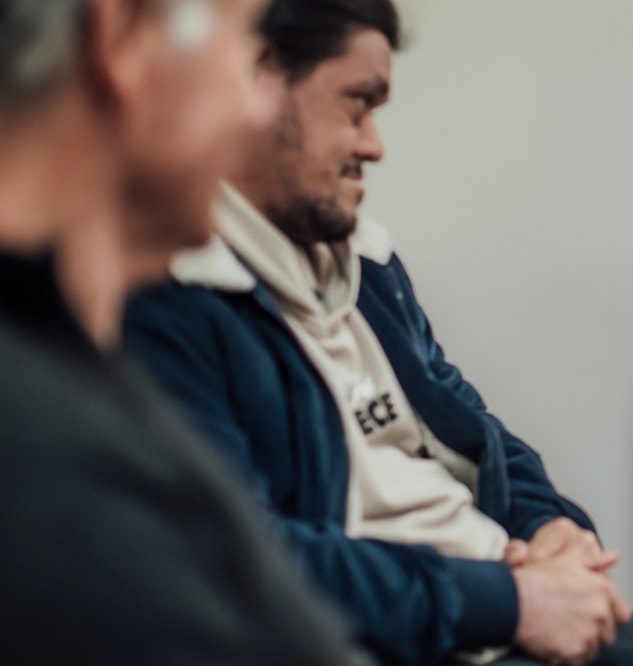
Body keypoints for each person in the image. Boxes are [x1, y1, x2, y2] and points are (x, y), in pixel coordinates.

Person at [122, 1, 633, 665]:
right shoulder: (172, 297)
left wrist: (555, 533)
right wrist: (509, 601)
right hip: (425, 626)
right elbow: (242, 562)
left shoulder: (366, 266)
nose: (376, 144)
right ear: (257, 87)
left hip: (502, 601)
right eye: (356, 106)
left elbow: (478, 433)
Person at [0, 0, 358, 664]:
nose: (254, 107)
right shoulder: (55, 485)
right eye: (241, 39)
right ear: (123, 37)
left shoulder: (76, 375)